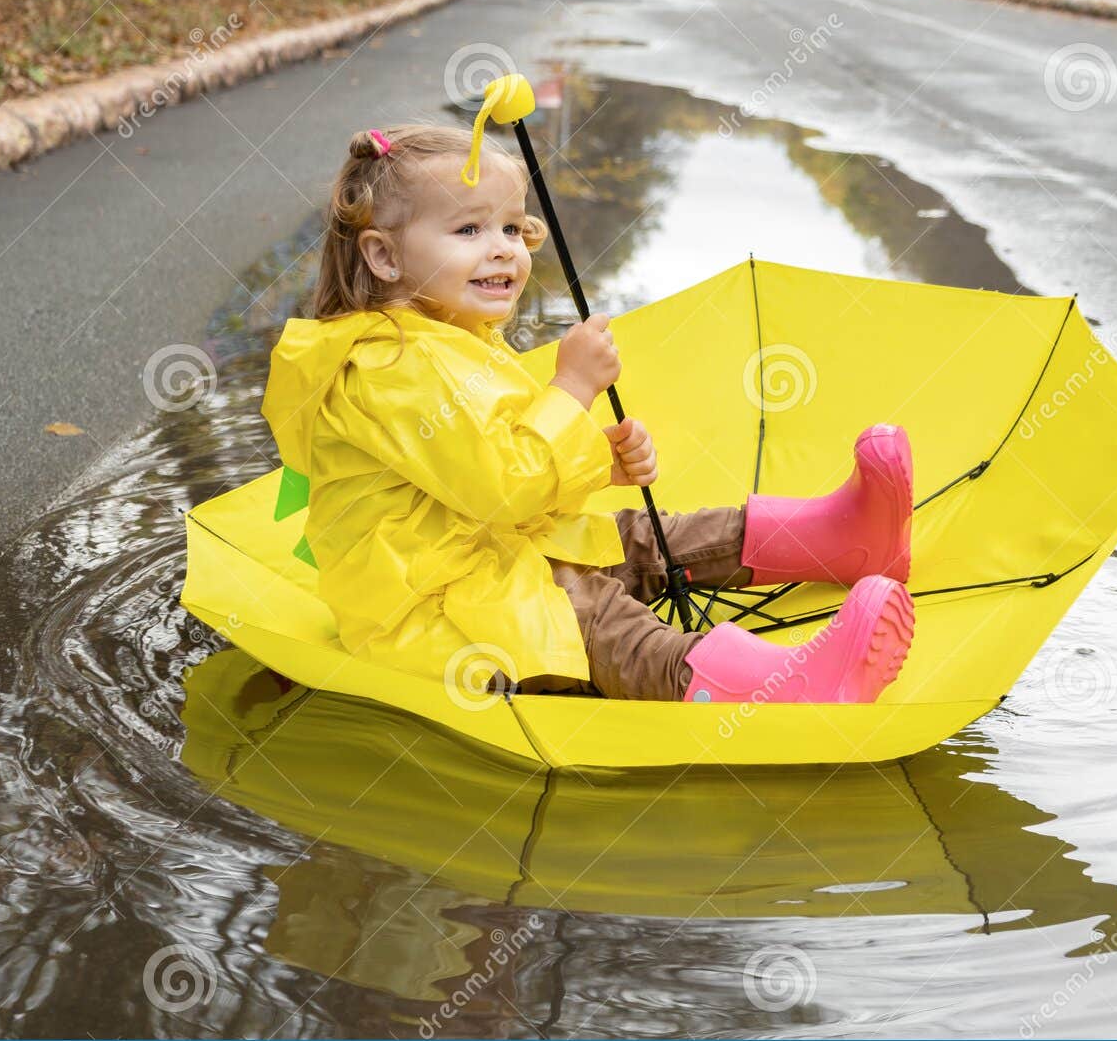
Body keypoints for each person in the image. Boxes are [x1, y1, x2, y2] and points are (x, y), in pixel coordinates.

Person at [260, 123, 916, 704]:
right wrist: (570, 388)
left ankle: (842, 534)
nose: (504, 249)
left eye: (513, 227)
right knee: (590, 613)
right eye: (469, 229)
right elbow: (502, 485)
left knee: (635, 535)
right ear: (384, 255)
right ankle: (781, 688)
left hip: (484, 555)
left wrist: (596, 459)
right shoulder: (384, 367)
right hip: (438, 616)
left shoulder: (444, 337)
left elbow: (492, 466)